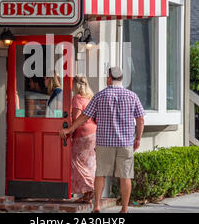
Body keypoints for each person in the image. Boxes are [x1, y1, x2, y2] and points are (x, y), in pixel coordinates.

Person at [59, 67, 145, 213]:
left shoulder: (100, 96)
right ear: (121, 79)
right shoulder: (132, 96)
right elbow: (140, 119)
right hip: (125, 143)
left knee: (100, 174)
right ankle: (124, 209)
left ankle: (97, 205)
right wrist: (138, 138)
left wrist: (69, 129)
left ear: (109, 79)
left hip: (105, 143)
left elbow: (85, 116)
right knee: (125, 176)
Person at [70, 75, 97, 203]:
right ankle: (87, 195)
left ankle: (91, 187)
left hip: (82, 134)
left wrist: (69, 131)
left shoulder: (77, 98)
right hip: (93, 134)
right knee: (89, 163)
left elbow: (76, 119)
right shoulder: (90, 98)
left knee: (77, 163)